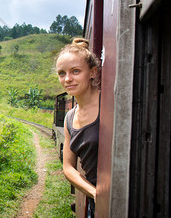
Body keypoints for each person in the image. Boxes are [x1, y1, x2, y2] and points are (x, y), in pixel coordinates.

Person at [55, 38, 100, 217]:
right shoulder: (69, 118)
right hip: (96, 204)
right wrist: (94, 193)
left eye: (75, 71)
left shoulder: (110, 105)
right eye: (61, 73)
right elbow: (68, 168)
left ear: (92, 72)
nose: (67, 79)